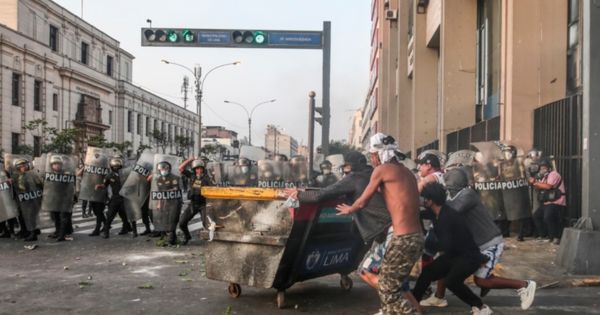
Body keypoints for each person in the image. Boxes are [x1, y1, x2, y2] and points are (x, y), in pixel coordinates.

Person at [420, 168, 537, 310]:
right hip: (473, 245)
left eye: (447, 186)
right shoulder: (454, 197)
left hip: (488, 243)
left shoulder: (467, 194)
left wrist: (431, 201)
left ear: (452, 185)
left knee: (481, 281)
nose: (446, 189)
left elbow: (450, 210)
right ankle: (439, 297)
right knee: (446, 260)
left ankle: (524, 285)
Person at [336, 133, 423, 315]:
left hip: (402, 239)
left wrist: (350, 209)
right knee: (390, 284)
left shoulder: (382, 170)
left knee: (387, 288)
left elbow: (363, 200)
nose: (371, 159)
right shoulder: (407, 173)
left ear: (377, 154)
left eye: (372, 155)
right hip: (416, 237)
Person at [413, 182, 492, 315]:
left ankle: (481, 307)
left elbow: (446, 245)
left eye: (425, 198)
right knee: (427, 273)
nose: (423, 200)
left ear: (431, 200)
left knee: (451, 282)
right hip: (454, 254)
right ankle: (413, 304)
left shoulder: (448, 217)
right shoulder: (436, 212)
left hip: (468, 257)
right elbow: (420, 213)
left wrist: (422, 245)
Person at [530, 158, 566, 245]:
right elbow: (539, 186)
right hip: (547, 202)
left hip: (556, 202)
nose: (542, 170)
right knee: (536, 216)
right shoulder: (545, 176)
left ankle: (554, 237)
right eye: (541, 168)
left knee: (548, 217)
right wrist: (535, 183)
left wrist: (535, 182)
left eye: (544, 168)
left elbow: (548, 186)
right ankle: (544, 235)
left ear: (549, 168)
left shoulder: (554, 174)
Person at [97, 158, 134, 238]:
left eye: (117, 166)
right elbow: (105, 185)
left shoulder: (126, 174)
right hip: (115, 198)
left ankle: (128, 228)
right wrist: (99, 186)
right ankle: (106, 232)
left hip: (124, 198)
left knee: (124, 215)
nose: (116, 168)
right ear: (111, 167)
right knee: (110, 215)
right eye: (114, 166)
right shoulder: (109, 176)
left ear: (121, 166)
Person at [178, 158, 212, 245]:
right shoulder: (192, 176)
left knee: (206, 224)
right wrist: (191, 159)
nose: (199, 170)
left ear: (203, 169)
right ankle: (187, 236)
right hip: (193, 204)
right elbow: (181, 168)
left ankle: (212, 241)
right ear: (194, 169)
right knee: (182, 222)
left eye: (201, 168)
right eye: (197, 168)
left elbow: (212, 189)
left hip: (203, 204)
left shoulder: (207, 178)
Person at [149, 161, 182, 245]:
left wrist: (166, 191)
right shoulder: (159, 179)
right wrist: (159, 204)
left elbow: (175, 189)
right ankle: (169, 236)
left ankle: (171, 237)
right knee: (164, 218)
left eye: (165, 168)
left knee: (172, 218)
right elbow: (160, 193)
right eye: (161, 169)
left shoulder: (174, 178)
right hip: (164, 202)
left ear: (168, 169)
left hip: (174, 202)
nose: (163, 170)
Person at [13, 158, 43, 242]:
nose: (23, 168)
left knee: (31, 217)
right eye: (20, 166)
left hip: (31, 199)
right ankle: (26, 232)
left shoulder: (32, 174)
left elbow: (40, 185)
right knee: (23, 217)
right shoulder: (17, 176)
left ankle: (33, 234)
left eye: (24, 166)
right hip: (23, 200)